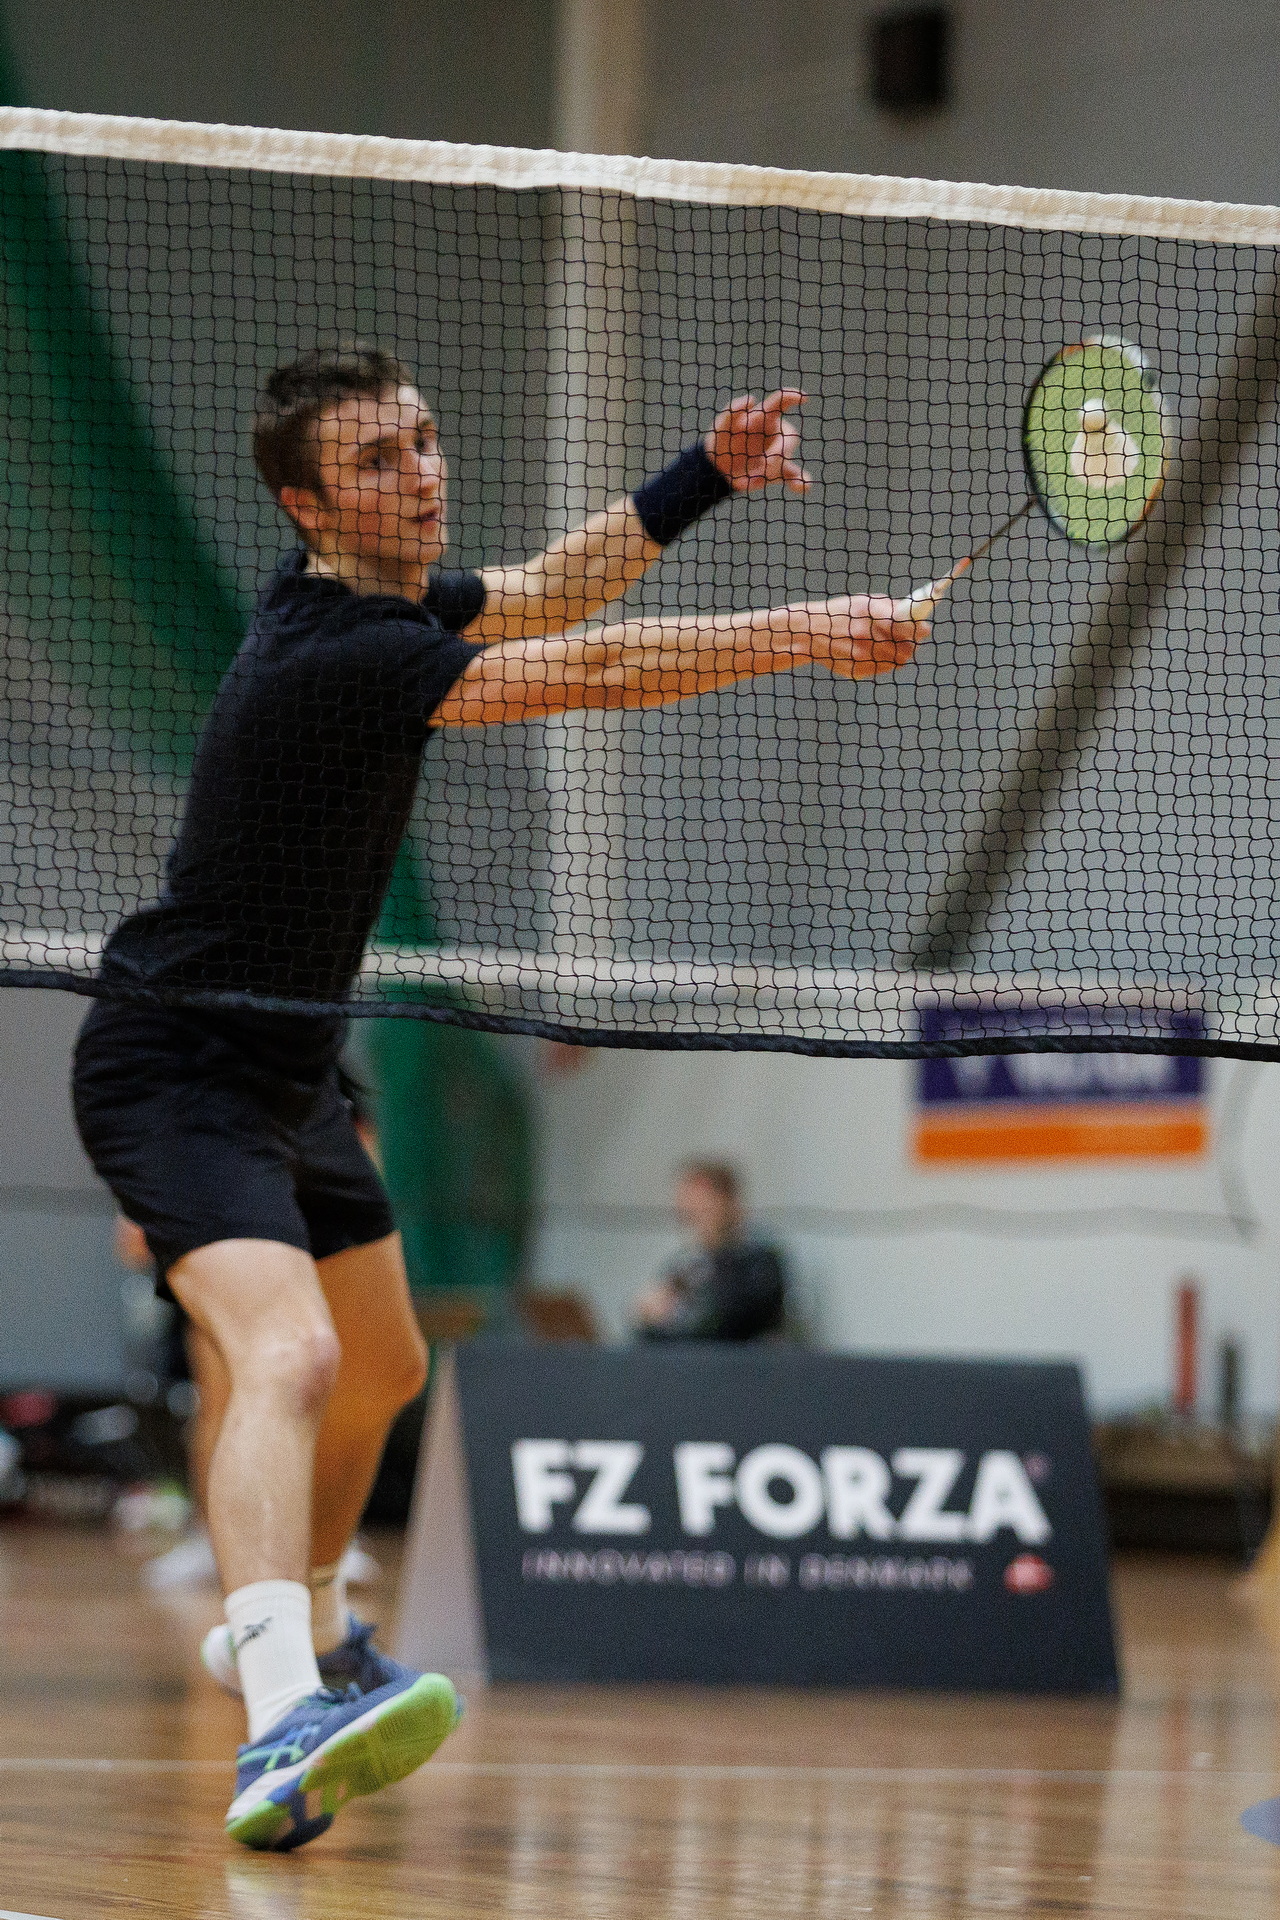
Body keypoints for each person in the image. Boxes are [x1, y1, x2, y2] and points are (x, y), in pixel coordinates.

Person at [71, 344, 928, 1851]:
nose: (422, 474)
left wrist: (701, 479)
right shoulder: (342, 655)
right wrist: (803, 630)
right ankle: (277, 1712)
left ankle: (312, 1630)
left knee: (383, 1368)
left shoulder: (387, 607)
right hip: (176, 1063)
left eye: (422, 441)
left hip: (290, 1067)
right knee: (289, 1357)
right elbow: (590, 670)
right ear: (305, 506)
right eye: (378, 461)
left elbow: (541, 595)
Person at [634, 1161, 788, 1342]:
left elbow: (731, 1318)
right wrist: (649, 1318)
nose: (693, 1211)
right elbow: (651, 1324)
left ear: (726, 1202)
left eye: (703, 1202)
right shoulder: (687, 1262)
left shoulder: (758, 1258)